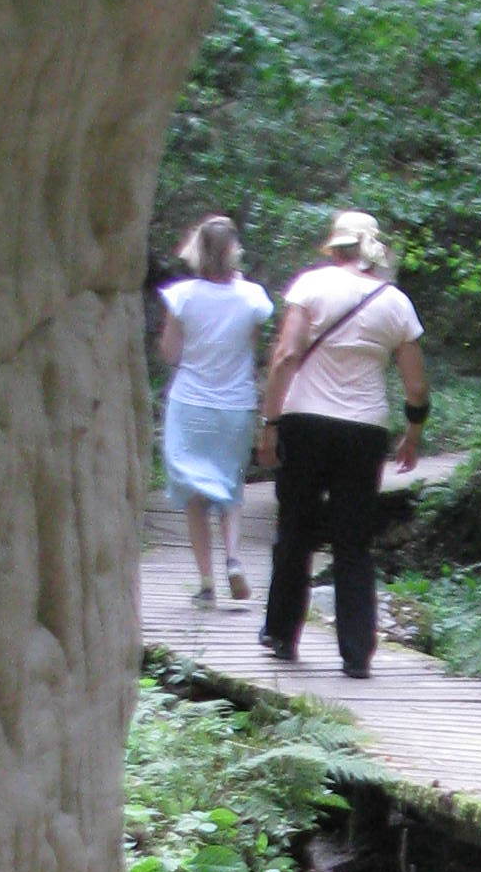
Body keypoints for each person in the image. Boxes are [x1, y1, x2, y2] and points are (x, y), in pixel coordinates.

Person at [255, 208, 429, 677]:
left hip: (305, 422)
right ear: (373, 250)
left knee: (295, 528)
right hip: (364, 431)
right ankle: (356, 654)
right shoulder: (395, 302)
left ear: (335, 248)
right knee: (354, 540)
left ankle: (281, 634)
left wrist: (270, 423)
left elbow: (286, 356)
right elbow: (416, 387)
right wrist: (412, 434)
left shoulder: (311, 286)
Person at [157, 216, 273, 607]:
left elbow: (169, 353)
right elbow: (250, 346)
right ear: (233, 250)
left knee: (194, 495)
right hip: (235, 404)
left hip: (190, 403)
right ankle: (234, 559)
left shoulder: (182, 296)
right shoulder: (252, 298)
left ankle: (207, 583)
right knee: (230, 488)